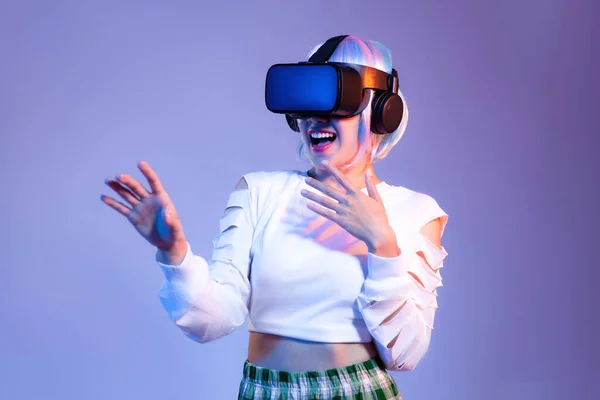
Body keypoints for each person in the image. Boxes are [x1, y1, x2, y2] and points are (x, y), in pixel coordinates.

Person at [101, 35, 449, 399]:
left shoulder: (414, 212)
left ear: (382, 112)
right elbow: (213, 321)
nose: (315, 116)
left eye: (336, 99)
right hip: (264, 390)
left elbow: (406, 356)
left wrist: (383, 245)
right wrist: (173, 251)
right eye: (305, 101)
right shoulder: (258, 192)